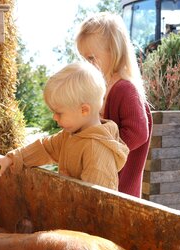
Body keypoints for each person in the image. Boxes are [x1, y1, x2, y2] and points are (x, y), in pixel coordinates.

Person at [0, 61, 129, 191]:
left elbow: (96, 200)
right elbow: (44, 148)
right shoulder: (71, 135)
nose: (54, 117)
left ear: (84, 110)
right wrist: (9, 159)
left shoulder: (96, 150)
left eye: (59, 113)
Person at [76, 12, 153, 198]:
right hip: (102, 183)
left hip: (120, 189)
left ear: (114, 50)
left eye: (92, 58)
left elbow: (138, 133)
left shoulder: (124, 89)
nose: (87, 65)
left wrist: (102, 152)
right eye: (84, 59)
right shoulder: (101, 88)